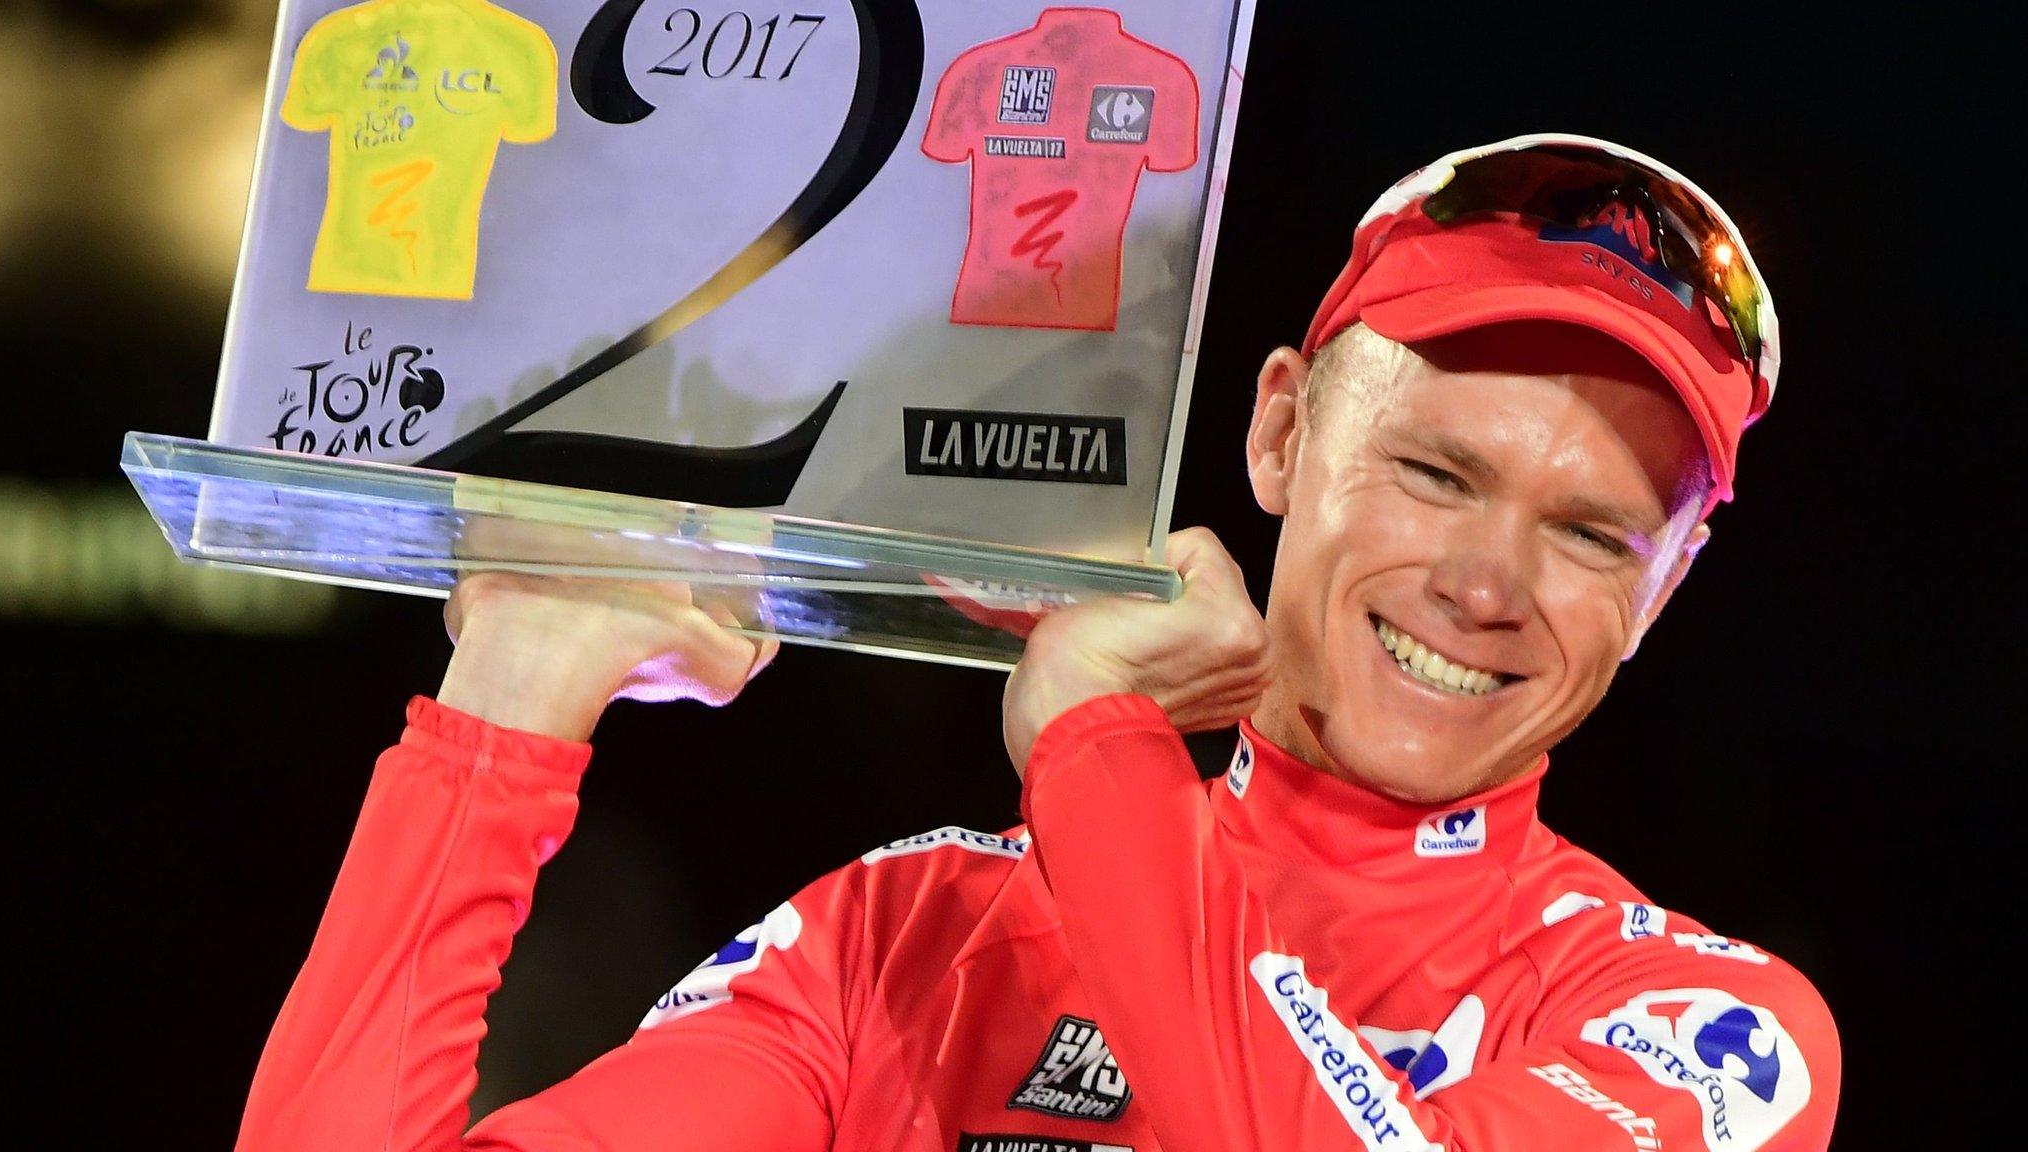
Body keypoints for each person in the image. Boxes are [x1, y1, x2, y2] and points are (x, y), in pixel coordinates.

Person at [235, 135, 1840, 1152]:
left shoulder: (1701, 1031)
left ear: (1670, 583)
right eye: (1433, 472)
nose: (1491, 582)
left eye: (1591, 535)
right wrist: (511, 699)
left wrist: (1093, 738)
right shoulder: (904, 938)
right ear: (1280, 435)